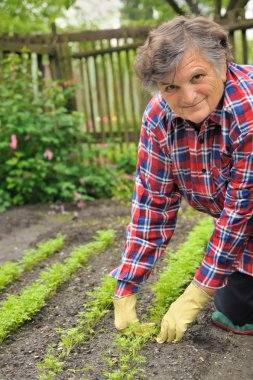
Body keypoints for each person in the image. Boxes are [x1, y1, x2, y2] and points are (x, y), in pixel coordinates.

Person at [110, 16, 253, 343]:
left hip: (244, 217)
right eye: (171, 86)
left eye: (197, 77)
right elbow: (151, 202)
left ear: (223, 62)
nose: (187, 97)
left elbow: (239, 212)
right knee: (234, 311)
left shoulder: (247, 109)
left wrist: (195, 294)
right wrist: (126, 285)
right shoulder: (159, 118)